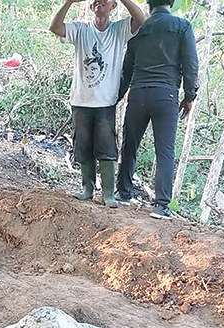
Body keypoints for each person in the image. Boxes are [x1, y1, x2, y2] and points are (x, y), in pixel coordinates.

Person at [50, 0, 146, 209]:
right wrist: (69, 2)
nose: (99, 1)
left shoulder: (119, 30)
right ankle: (87, 188)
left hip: (105, 102)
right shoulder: (80, 30)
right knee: (83, 145)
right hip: (80, 100)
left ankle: (108, 193)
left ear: (113, 6)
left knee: (107, 147)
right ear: (91, 6)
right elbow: (55, 27)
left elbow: (141, 19)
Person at [115, 0, 197, 219]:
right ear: (171, 3)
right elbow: (190, 64)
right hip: (166, 95)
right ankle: (161, 205)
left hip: (138, 93)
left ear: (149, 4)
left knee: (129, 144)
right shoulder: (182, 26)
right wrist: (190, 96)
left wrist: (116, 97)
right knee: (165, 150)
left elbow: (127, 69)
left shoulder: (139, 28)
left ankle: (123, 193)